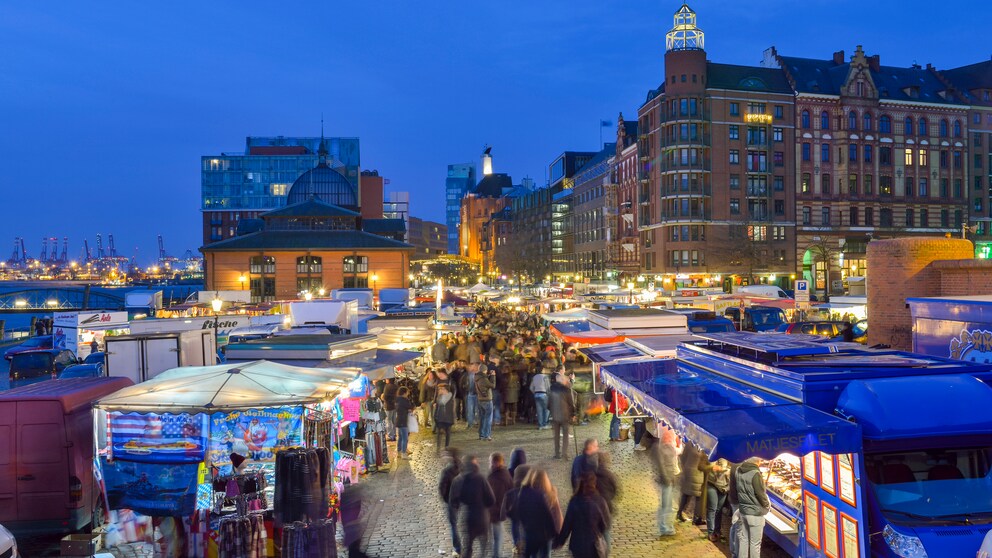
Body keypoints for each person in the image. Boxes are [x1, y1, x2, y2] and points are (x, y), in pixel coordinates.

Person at [553, 473, 611, 558]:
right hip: (594, 545)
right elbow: (605, 524)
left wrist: (560, 541)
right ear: (594, 484)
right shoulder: (600, 501)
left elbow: (567, 525)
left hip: (577, 545)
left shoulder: (574, 502)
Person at [450, 455, 496, 558]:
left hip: (466, 518)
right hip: (482, 517)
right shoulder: (480, 478)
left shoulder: (457, 480)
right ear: (474, 464)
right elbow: (491, 499)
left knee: (467, 547)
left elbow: (453, 501)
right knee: (484, 546)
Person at [516, 469, 561, 558]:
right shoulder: (550, 493)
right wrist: (556, 533)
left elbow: (520, 512)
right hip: (545, 533)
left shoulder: (525, 493)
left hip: (531, 532)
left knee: (534, 555)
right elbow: (553, 514)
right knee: (546, 555)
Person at [732, 457, 770, 558]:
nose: (761, 462)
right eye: (760, 461)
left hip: (743, 510)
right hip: (755, 514)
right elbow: (760, 494)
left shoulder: (738, 470)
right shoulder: (755, 474)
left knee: (744, 540)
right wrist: (767, 505)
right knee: (755, 544)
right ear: (757, 462)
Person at [487, 452, 514, 558]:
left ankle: (496, 555)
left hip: (495, 511)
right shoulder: (504, 473)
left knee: (496, 537)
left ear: (496, 462)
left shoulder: (497, 477)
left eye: (490, 461)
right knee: (496, 536)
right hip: (497, 511)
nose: (489, 464)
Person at [502, 463, 532, 556]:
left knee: (515, 524)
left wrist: (506, 514)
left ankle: (516, 543)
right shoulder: (531, 491)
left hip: (515, 512)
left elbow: (505, 506)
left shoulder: (511, 492)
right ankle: (524, 541)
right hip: (527, 513)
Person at [654, 427, 679, 537]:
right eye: (672, 437)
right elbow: (661, 466)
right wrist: (667, 479)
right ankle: (664, 527)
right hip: (666, 480)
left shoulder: (669, 447)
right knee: (666, 505)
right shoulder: (664, 448)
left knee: (668, 504)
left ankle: (666, 526)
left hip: (670, 478)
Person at [438, 448, 463, 557]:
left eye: (445, 455)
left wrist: (445, 499)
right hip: (462, 500)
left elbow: (442, 487)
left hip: (451, 501)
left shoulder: (447, 471)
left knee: (453, 525)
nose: (443, 457)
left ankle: (457, 549)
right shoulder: (462, 466)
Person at [549, 372, 576, 459]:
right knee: (565, 436)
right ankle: (565, 454)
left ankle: (557, 454)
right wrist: (573, 413)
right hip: (565, 415)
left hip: (555, 415)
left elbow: (548, 403)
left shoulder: (552, 389)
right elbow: (571, 403)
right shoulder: (566, 389)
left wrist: (551, 411)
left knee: (556, 436)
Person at [677, 446, 706, 525]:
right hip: (698, 474)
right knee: (698, 497)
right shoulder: (703, 448)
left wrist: (686, 466)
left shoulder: (690, 443)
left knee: (686, 493)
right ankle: (696, 518)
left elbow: (682, 457)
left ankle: (679, 513)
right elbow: (703, 465)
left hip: (688, 471)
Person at [340, 482, 370, 558]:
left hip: (350, 529)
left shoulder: (346, 499)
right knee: (354, 551)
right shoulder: (353, 499)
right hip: (353, 529)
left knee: (353, 552)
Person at [705, 458, 731, 542]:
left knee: (718, 510)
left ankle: (717, 531)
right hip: (712, 484)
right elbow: (712, 466)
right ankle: (710, 532)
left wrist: (729, 470)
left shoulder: (730, 455)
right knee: (712, 509)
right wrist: (723, 469)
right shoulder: (714, 453)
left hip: (724, 487)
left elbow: (734, 467)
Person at [476, 363, 496, 441]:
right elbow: (493, 385)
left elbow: (486, 383)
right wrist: (493, 376)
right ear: (485, 370)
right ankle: (486, 435)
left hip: (480, 399)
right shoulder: (483, 379)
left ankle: (481, 434)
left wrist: (489, 376)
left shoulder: (478, 377)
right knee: (488, 418)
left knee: (482, 418)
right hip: (487, 400)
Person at [434, 384, 456, 454]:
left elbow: (453, 409)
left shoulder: (451, 397)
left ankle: (446, 447)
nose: (439, 390)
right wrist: (435, 416)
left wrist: (454, 418)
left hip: (448, 417)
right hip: (440, 417)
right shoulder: (439, 397)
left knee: (448, 432)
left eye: (440, 389)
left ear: (445, 389)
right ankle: (438, 447)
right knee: (439, 433)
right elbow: (437, 408)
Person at [394, 387, 413, 459]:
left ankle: (399, 452)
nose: (408, 394)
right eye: (407, 392)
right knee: (405, 438)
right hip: (403, 421)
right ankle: (403, 454)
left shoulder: (397, 400)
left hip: (399, 420)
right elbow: (410, 406)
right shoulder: (404, 400)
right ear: (404, 393)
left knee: (401, 437)